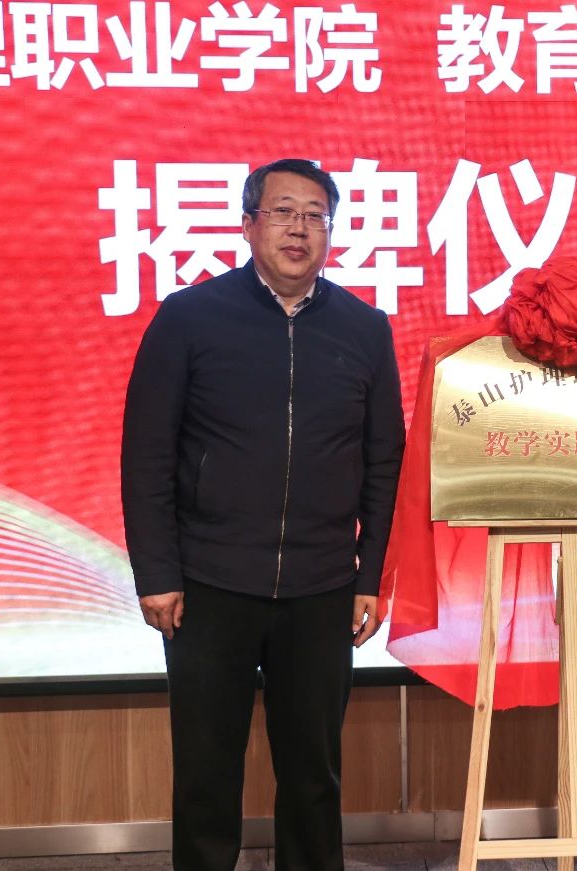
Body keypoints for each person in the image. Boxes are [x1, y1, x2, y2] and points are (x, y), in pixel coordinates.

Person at [121, 158, 405, 871]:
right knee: (206, 772)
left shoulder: (364, 329)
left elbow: (383, 463)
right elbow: (147, 455)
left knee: (313, 775)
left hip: (321, 586)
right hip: (208, 582)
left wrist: (369, 576)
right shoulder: (189, 318)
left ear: (330, 232)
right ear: (248, 225)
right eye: (282, 212)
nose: (298, 229)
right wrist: (157, 573)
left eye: (314, 215)